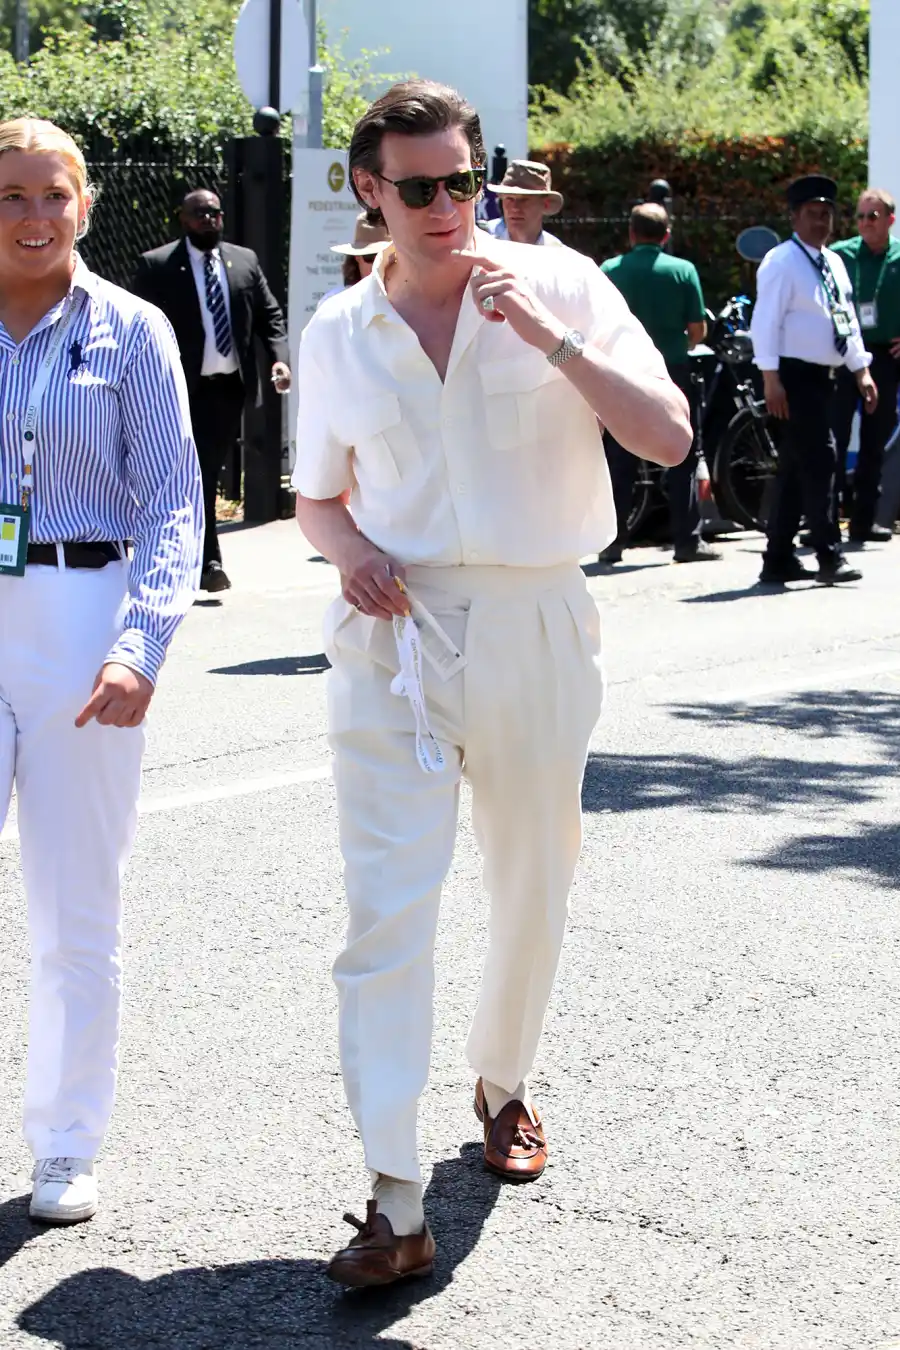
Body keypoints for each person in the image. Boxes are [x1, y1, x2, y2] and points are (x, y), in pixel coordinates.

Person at [292, 79, 691, 1288]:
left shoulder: (565, 284)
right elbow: (315, 496)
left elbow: (669, 439)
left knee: (533, 880)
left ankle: (504, 1081)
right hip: (395, 637)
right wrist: (352, 551)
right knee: (384, 916)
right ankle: (392, 1197)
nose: (446, 207)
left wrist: (551, 340)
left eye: (462, 181)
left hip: (533, 613)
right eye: (416, 188)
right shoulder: (337, 332)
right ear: (370, 191)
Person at [0, 118, 203, 1224]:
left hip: (84, 624)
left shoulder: (132, 330)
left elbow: (173, 501)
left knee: (78, 907)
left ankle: (66, 1143)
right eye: (11, 197)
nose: (34, 217)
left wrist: (142, 643)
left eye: (53, 195)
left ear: (85, 205)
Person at [131, 189, 290, 593]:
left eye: (215, 213)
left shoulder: (243, 261)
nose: (209, 220)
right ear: (183, 219)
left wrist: (278, 358)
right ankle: (209, 561)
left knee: (205, 469)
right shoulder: (159, 266)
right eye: (200, 214)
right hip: (182, 388)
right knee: (198, 470)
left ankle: (195, 558)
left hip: (229, 388)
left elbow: (269, 315)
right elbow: (137, 326)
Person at [750, 175, 877, 586]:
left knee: (794, 467)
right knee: (822, 461)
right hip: (793, 376)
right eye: (812, 214)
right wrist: (770, 379)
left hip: (826, 377)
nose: (821, 222)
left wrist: (862, 368)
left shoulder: (834, 262)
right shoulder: (781, 261)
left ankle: (778, 558)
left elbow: (847, 320)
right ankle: (828, 554)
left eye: (826, 215)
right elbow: (765, 322)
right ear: (794, 217)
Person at [599, 203, 718, 563]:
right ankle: (687, 541)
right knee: (682, 454)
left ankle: (612, 541)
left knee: (620, 457)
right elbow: (697, 330)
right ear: (666, 236)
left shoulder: (610, 270)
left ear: (631, 234)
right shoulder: (682, 271)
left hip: (622, 372)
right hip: (672, 371)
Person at [830, 187, 900, 543]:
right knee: (834, 437)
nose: (864, 223)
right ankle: (825, 517)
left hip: (885, 356)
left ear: (889, 219)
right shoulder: (840, 255)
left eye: (871, 217)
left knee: (875, 439)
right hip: (843, 355)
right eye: (859, 216)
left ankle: (864, 521)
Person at [479, 159, 564, 247]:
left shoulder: (556, 252)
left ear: (546, 204)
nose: (515, 208)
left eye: (524, 200)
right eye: (509, 198)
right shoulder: (481, 241)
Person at [317, 211, 391, 308]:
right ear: (357, 257)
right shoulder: (334, 304)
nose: (378, 263)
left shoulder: (408, 302)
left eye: (384, 256)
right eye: (371, 257)